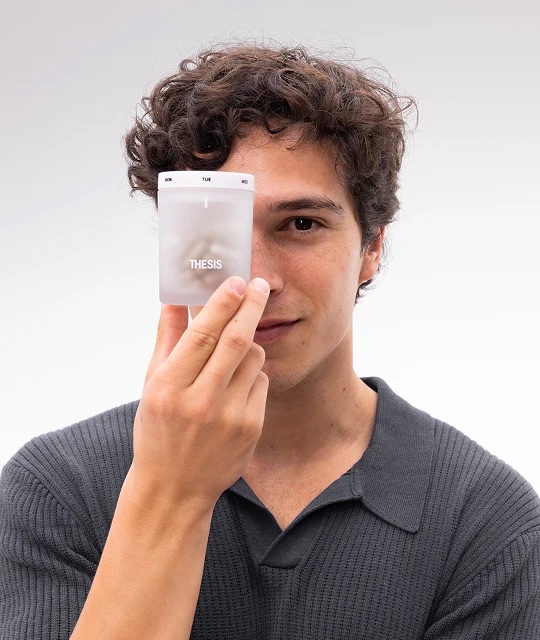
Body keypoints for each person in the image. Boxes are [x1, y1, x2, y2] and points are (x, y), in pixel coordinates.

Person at [1, 42, 539, 640]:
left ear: (372, 247)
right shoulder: (57, 489)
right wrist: (170, 491)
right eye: (215, 230)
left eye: (301, 224)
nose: (255, 280)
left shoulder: (486, 524)